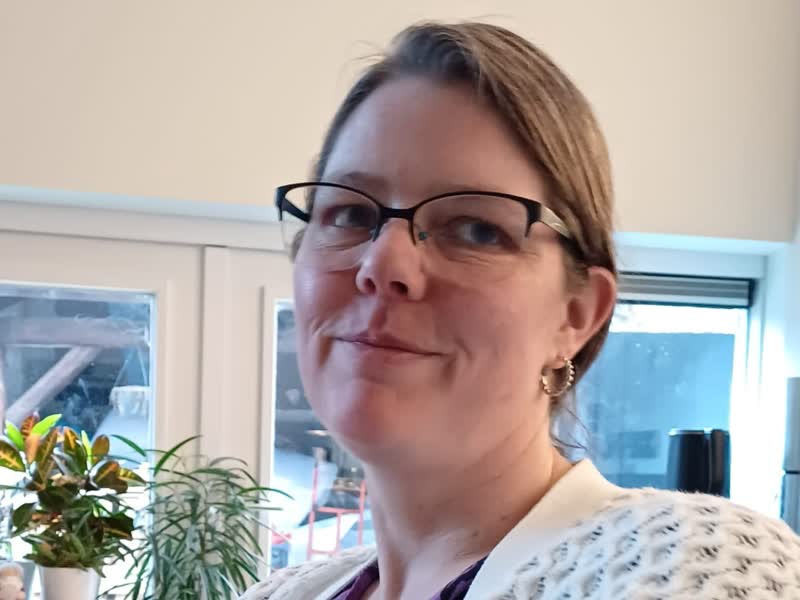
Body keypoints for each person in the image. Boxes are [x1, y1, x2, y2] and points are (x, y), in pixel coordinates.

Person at [243, 21, 800, 600]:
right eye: (351, 215)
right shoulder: (277, 592)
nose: (383, 265)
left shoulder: (693, 567)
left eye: (476, 229)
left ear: (576, 315)